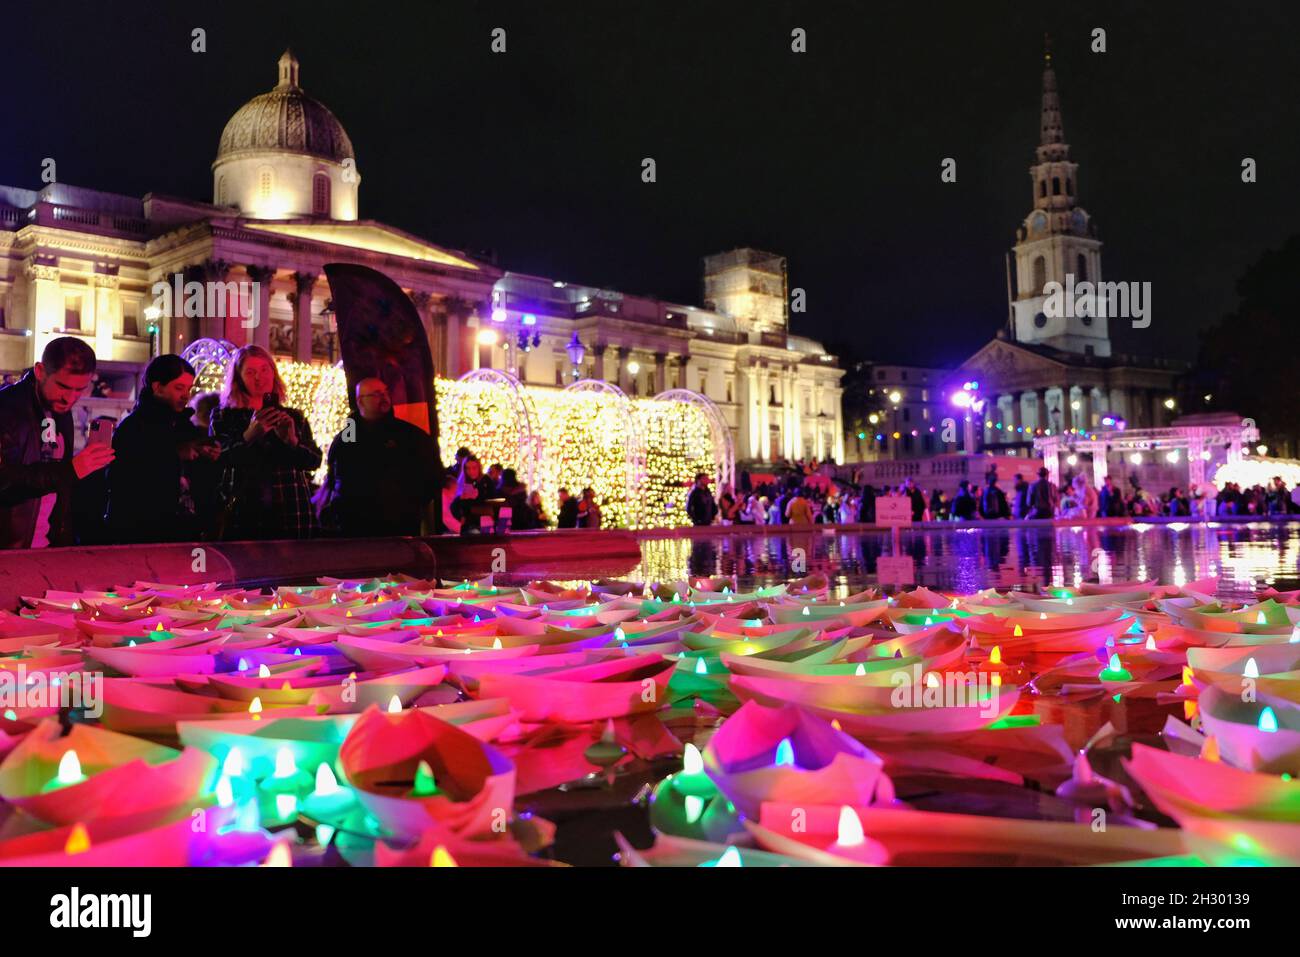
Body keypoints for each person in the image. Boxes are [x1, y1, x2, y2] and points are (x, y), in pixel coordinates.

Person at [0, 337, 114, 548]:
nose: (70, 398)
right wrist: (71, 470)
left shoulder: (61, 411)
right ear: (40, 371)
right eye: (63, 386)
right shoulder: (6, 408)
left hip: (45, 548)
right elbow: (4, 481)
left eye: (80, 389)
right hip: (8, 551)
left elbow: (62, 494)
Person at [210, 345, 322, 540]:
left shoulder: (293, 416)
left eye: (264, 370)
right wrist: (249, 436)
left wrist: (292, 441)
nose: (259, 378)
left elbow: (313, 461)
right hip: (243, 510)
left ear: (273, 372)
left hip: (290, 509)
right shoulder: (224, 415)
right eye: (250, 372)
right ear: (239, 378)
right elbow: (219, 459)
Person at [106, 354, 220, 543]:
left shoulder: (185, 426)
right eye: (178, 388)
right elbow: (123, 479)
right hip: (141, 533)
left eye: (188, 389)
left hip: (183, 533)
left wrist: (208, 454)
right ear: (158, 388)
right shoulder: (133, 427)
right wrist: (175, 454)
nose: (185, 395)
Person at [317, 378, 439, 537]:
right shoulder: (347, 436)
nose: (384, 397)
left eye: (386, 392)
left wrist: (409, 505)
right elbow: (337, 475)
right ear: (360, 401)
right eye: (376, 394)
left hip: (399, 527)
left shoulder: (408, 435)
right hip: (354, 529)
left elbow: (432, 474)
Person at [450, 456, 497, 533]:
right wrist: (461, 499)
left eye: (474, 468)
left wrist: (478, 496)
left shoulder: (486, 481)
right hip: (469, 525)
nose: (471, 471)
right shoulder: (463, 482)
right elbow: (453, 506)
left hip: (485, 523)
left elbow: (493, 500)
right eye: (468, 468)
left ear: (479, 468)